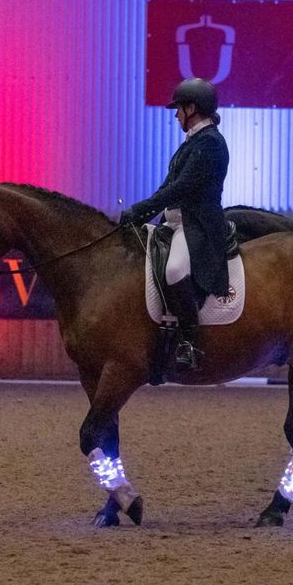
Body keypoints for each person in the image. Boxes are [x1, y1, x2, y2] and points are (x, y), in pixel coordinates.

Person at [119, 77, 230, 372]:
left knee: (174, 269)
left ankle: (190, 341)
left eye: (179, 109)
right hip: (174, 222)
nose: (176, 114)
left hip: (198, 225)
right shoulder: (191, 143)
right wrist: (142, 214)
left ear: (192, 108)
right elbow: (167, 187)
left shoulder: (212, 143)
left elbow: (180, 188)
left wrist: (142, 209)